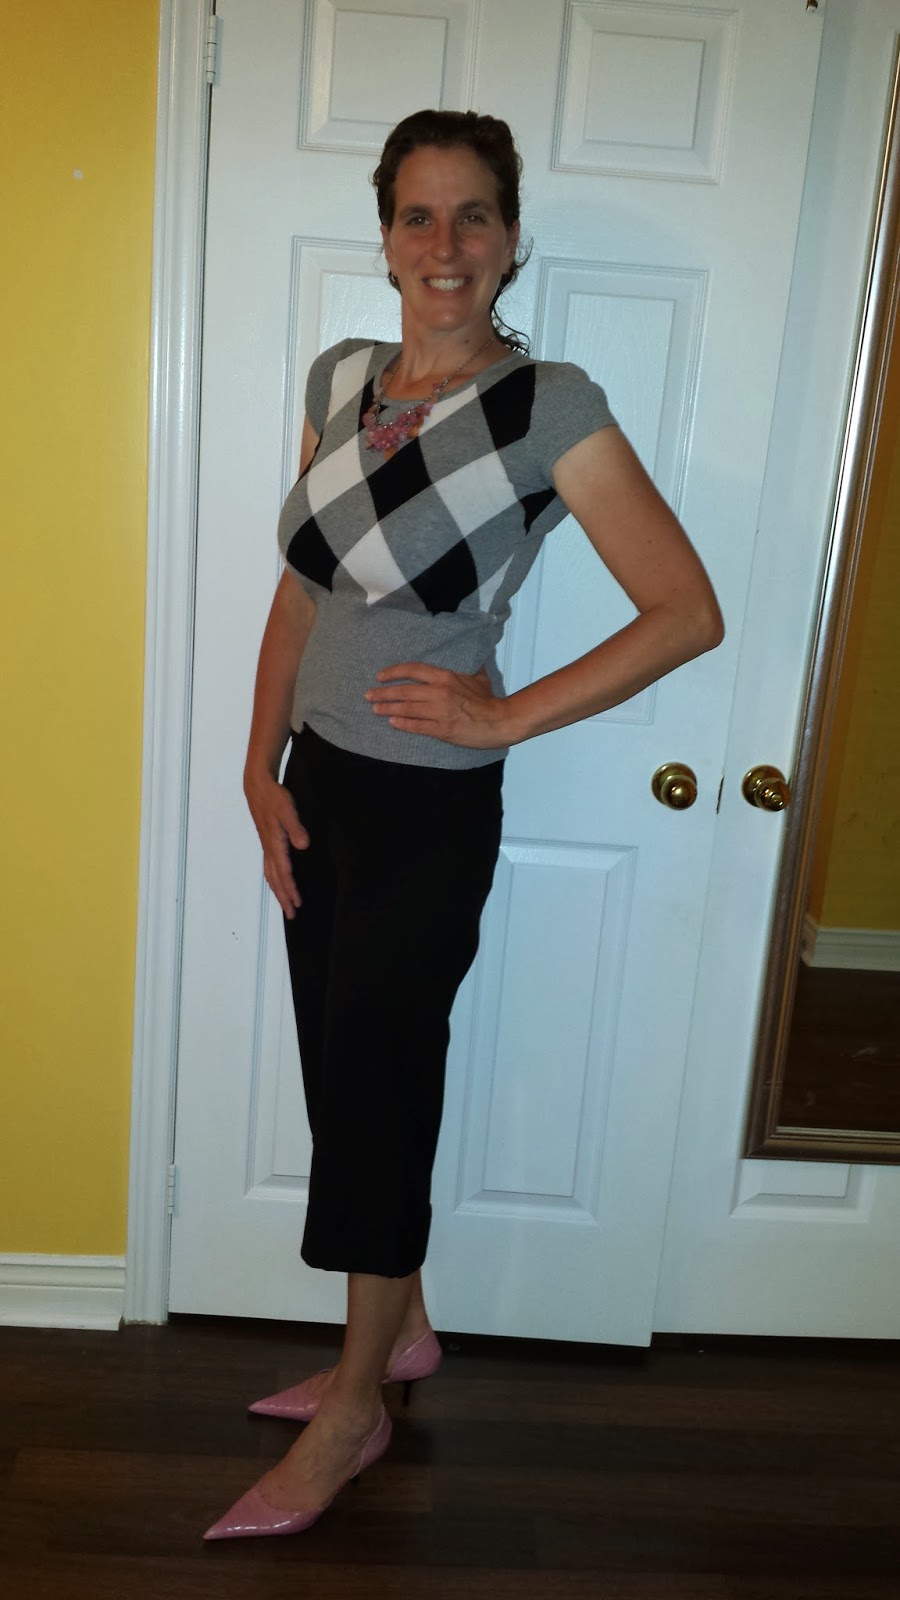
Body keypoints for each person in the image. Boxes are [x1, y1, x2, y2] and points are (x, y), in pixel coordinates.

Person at [203, 108, 724, 1542]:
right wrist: (258, 765)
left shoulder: (547, 405)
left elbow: (685, 611)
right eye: (419, 216)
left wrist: (505, 718)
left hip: (427, 806)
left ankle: (356, 1409)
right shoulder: (342, 378)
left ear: (511, 238)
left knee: (379, 1090)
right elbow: (303, 589)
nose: (446, 244)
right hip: (317, 786)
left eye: (474, 214)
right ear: (385, 238)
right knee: (343, 1076)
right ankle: (407, 1330)